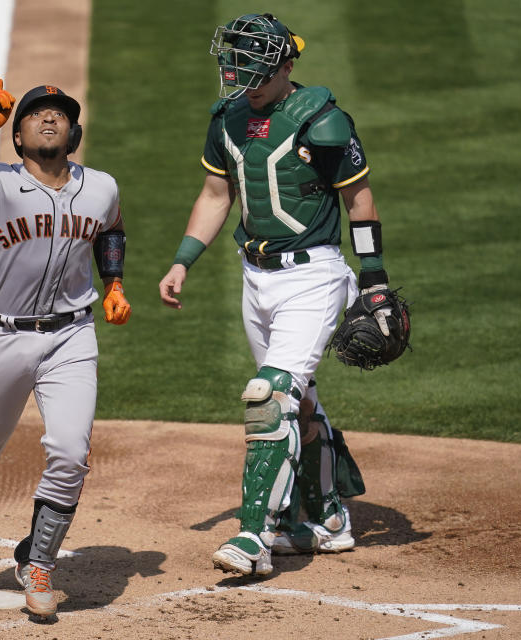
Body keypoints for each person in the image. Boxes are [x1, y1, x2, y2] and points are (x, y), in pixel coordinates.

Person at [159, 13, 393, 576]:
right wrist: (182, 261)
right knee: (300, 402)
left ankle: (253, 535)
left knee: (270, 397)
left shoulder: (323, 121)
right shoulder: (228, 119)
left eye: (255, 72)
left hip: (312, 276)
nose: (243, 80)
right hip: (255, 277)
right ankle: (328, 519)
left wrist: (375, 279)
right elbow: (217, 193)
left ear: (286, 67)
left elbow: (359, 200)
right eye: (236, 67)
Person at [0, 80, 131, 616]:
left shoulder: (101, 186)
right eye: (36, 115)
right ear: (18, 135)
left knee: (71, 452)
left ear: (74, 133)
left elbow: (111, 230)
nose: (50, 119)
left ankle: (39, 559)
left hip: (72, 335)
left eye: (60, 115)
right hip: (2, 335)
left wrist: (114, 282)